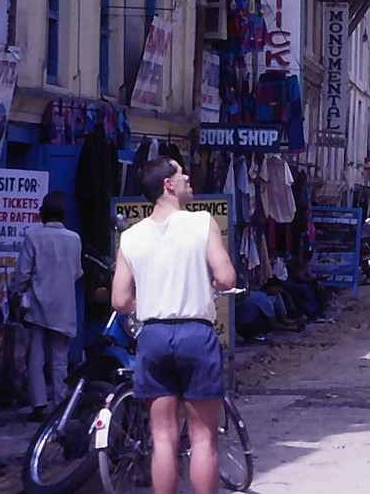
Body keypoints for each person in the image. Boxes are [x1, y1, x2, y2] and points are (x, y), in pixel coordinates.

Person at [111, 157, 237, 494]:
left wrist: (153, 302)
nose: (188, 178)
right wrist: (201, 285)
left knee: (162, 438)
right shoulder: (201, 223)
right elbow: (226, 278)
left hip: (152, 336)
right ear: (168, 184)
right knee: (203, 438)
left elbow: (121, 301)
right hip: (196, 335)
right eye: (182, 173)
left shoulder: (131, 237)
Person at [10, 190, 82, 421]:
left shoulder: (33, 237)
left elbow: (22, 274)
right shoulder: (74, 239)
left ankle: (39, 404)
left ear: (42, 215)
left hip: (38, 306)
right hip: (64, 305)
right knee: (60, 359)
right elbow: (77, 272)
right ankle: (61, 404)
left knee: (36, 357)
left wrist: (17, 294)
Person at [235, 279, 302, 342]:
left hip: (240, 327)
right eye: (276, 288)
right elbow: (274, 325)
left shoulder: (257, 294)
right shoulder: (265, 300)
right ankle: (256, 335)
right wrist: (293, 329)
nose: (278, 291)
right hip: (246, 327)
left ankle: (251, 336)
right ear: (271, 287)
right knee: (269, 317)